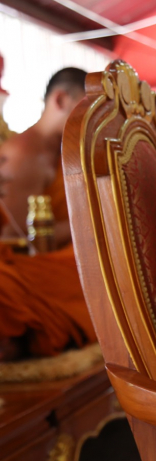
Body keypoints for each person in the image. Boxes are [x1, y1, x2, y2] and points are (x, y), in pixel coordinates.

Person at [0, 67, 96, 360]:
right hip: (37, 264)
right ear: (60, 100)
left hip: (63, 256)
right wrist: (90, 226)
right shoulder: (26, 150)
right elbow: (17, 237)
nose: (90, 121)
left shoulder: (63, 152)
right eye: (84, 108)